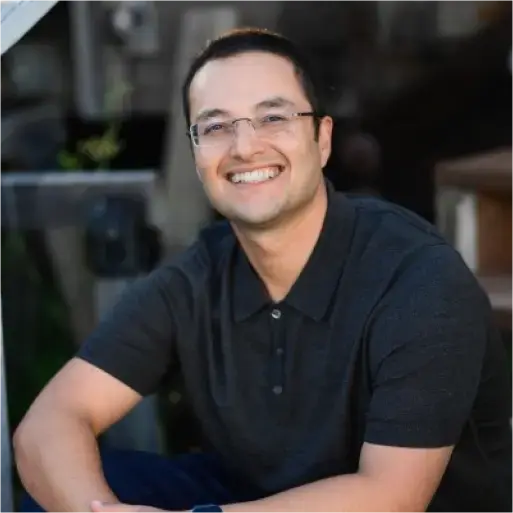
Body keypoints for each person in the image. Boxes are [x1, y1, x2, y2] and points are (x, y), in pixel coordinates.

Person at [13, 27, 513, 513]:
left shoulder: (417, 281)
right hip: (253, 497)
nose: (244, 146)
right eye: (215, 126)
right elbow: (48, 425)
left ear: (322, 139)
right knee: (72, 485)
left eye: (272, 118)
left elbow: (390, 498)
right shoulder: (198, 277)